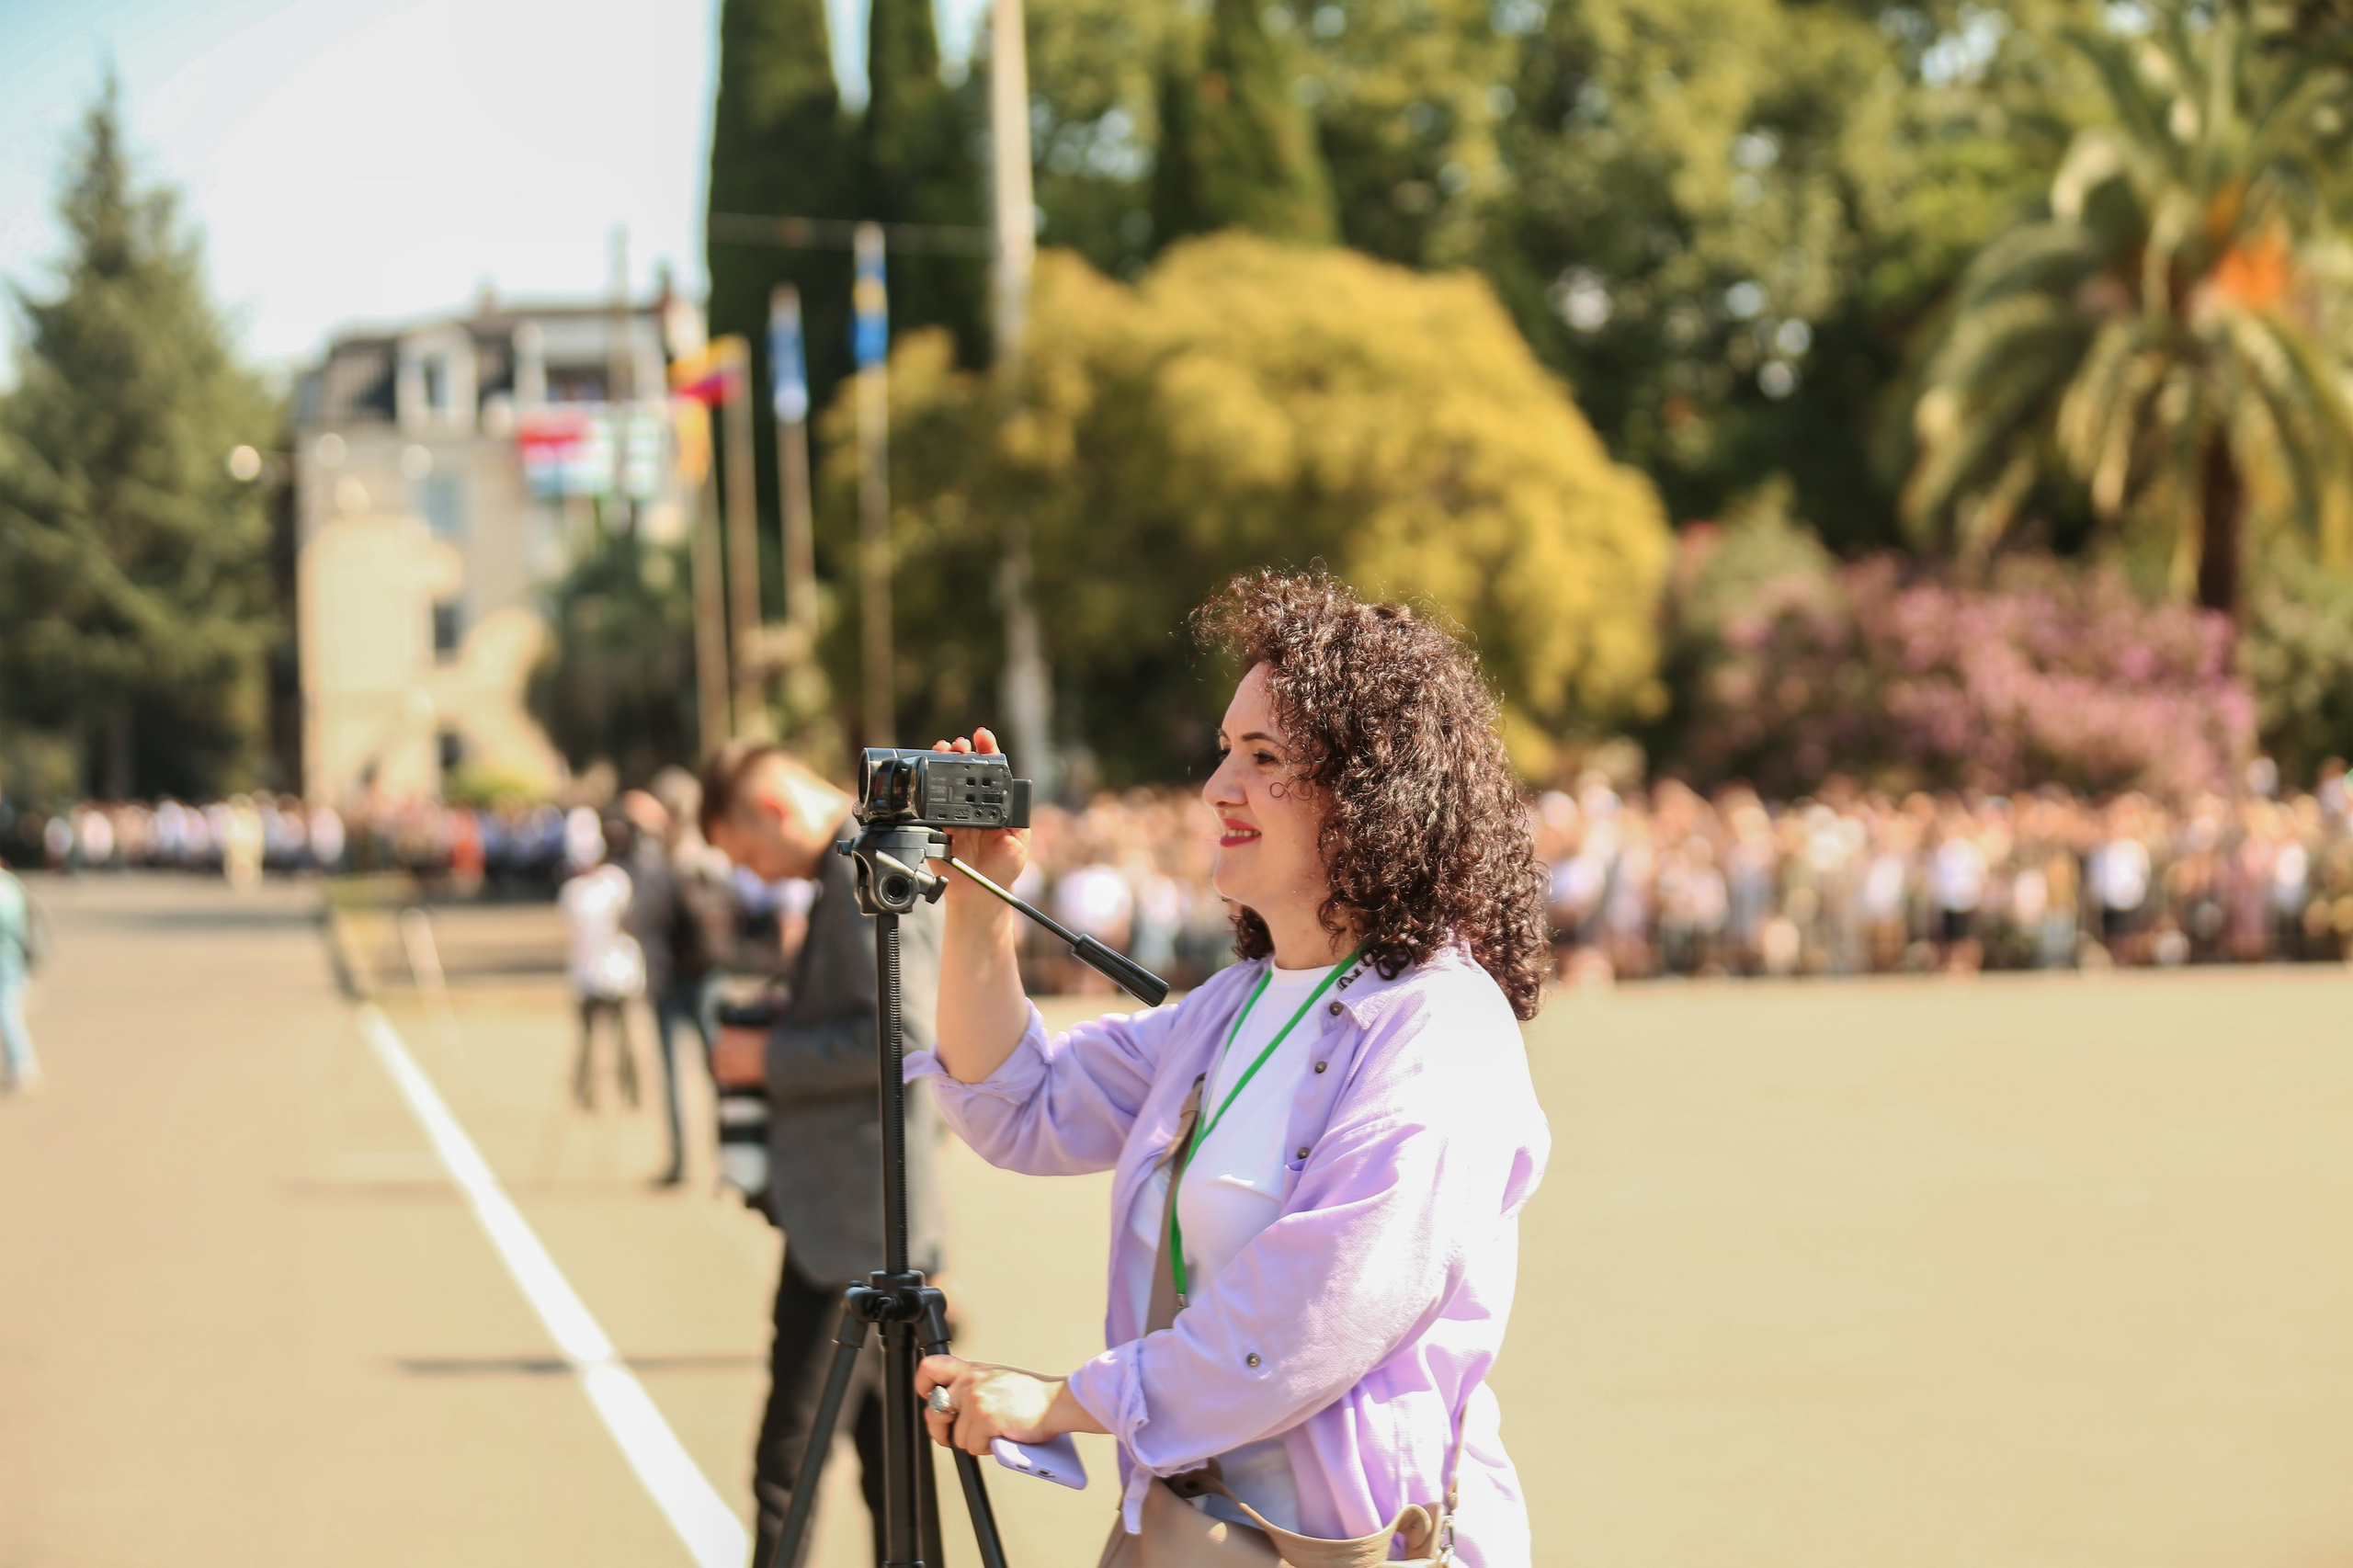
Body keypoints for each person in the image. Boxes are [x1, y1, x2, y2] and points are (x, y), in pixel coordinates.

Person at [911, 570, 1552, 1566]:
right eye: (1223, 752)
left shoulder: (1440, 1024)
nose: (1218, 787)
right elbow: (1019, 1104)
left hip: (1345, 1544)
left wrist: (1070, 1398)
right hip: (1187, 1529)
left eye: (1264, 756)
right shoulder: (1230, 1007)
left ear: (1371, 792)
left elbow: (1320, 1301)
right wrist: (977, 903)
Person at [699, 742, 949, 1568]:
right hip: (867, 1216)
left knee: (791, 1470)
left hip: (854, 1225)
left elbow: (905, 1037)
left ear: (772, 810)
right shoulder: (858, 860)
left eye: (749, 856)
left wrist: (764, 1060)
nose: (759, 876)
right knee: (893, 1474)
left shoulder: (859, 866)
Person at [558, 819, 645, 1111]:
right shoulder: (580, 891)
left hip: (616, 973)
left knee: (623, 1040)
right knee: (591, 1040)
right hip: (593, 973)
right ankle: (588, 1092)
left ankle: (630, 1089)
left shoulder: (612, 882)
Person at [1, 861, 45, 1095]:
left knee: (7, 1012)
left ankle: (21, 1064)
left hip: (7, 959)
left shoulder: (4, 891)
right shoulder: (13, 885)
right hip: (16, 958)